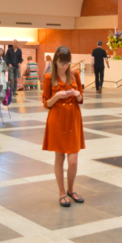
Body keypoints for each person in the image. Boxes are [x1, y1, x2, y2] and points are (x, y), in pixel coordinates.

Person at [42, 46, 85, 208]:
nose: (65, 66)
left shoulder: (75, 74)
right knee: (59, 157)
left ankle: (71, 189)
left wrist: (77, 95)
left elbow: (81, 99)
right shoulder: (48, 78)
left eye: (67, 63)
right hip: (57, 118)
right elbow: (46, 103)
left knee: (73, 161)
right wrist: (56, 96)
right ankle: (61, 192)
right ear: (55, 61)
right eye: (61, 63)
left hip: (73, 117)